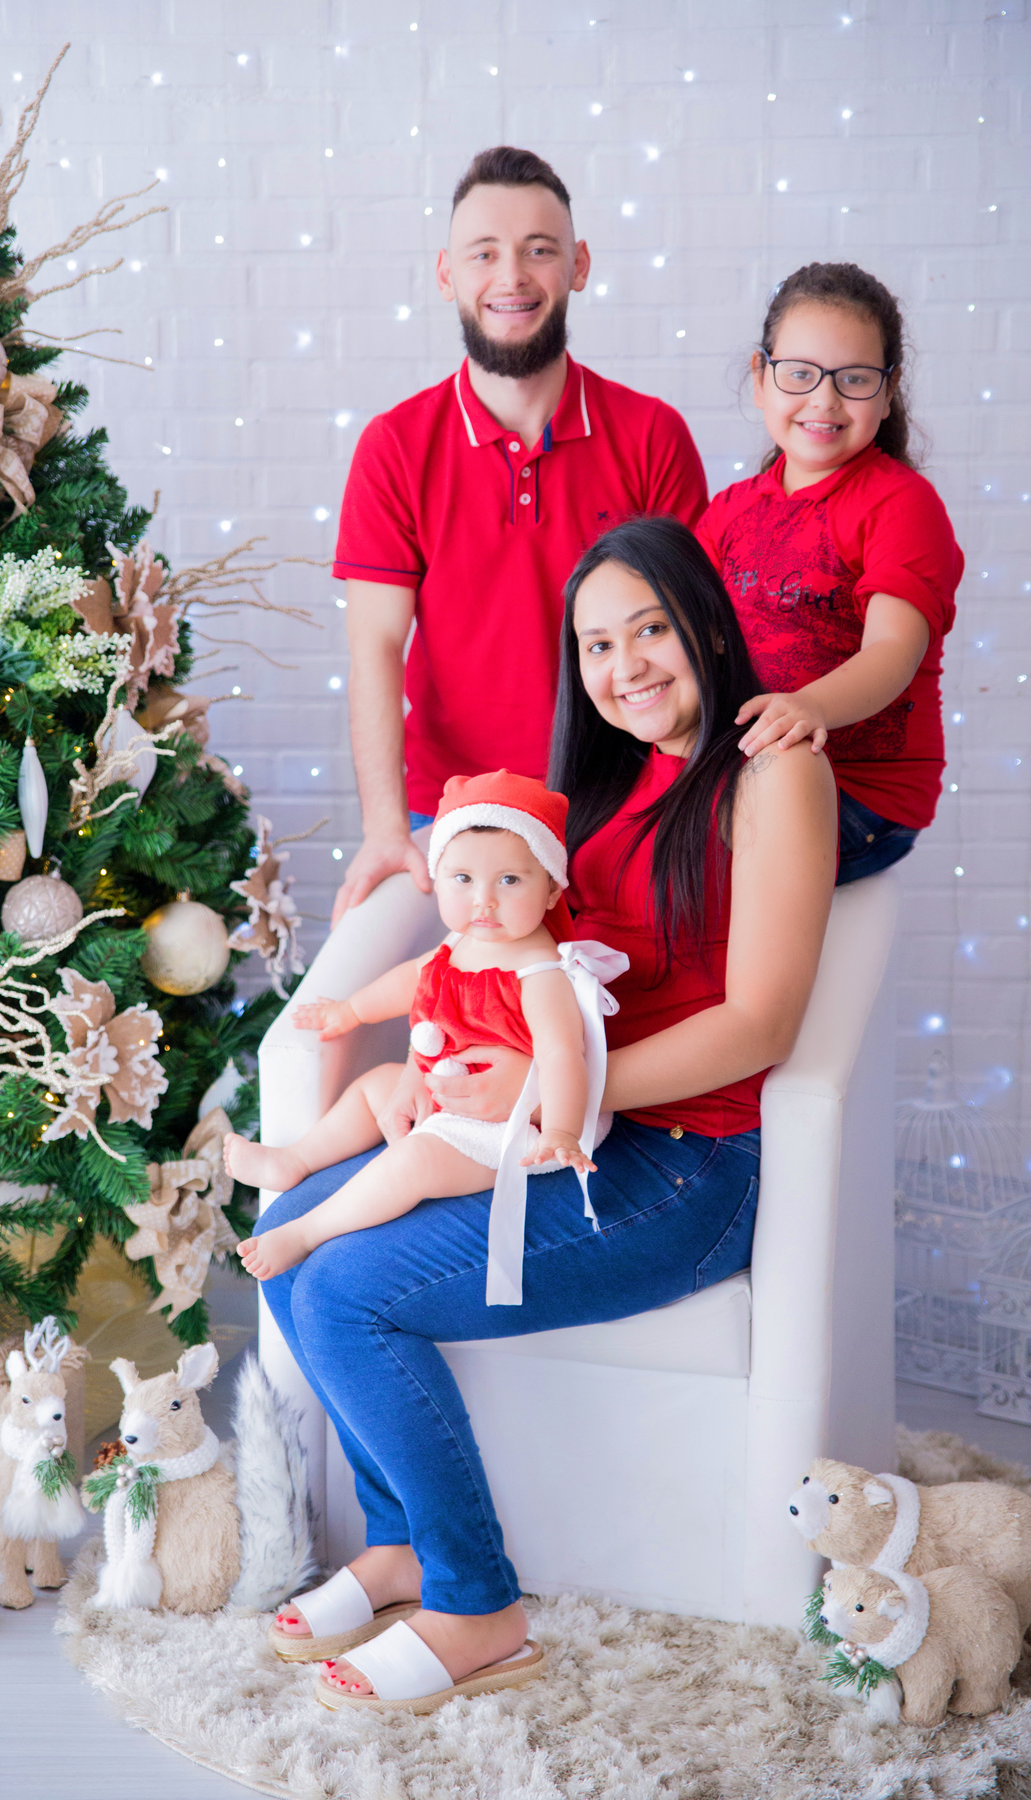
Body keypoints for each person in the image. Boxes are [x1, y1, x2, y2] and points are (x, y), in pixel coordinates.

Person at [254, 517, 837, 1713]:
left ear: (707, 624)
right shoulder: (613, 785)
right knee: (291, 1232)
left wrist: (542, 1090)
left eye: (651, 631)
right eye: (595, 645)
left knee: (342, 1287)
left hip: (684, 1174)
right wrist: (454, 1052)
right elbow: (519, 960)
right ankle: (404, 1540)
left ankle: (480, 1606)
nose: (624, 666)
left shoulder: (776, 772)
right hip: (559, 1139)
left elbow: (763, 1025)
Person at [330, 144, 708, 926]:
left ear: (579, 266)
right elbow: (374, 649)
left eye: (540, 251)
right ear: (446, 275)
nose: (512, 277)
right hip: (462, 826)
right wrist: (383, 831)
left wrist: (686, 815)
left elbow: (691, 645)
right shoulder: (394, 448)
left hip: (625, 815)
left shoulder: (651, 436)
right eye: (485, 254)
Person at [226, 771, 627, 1293]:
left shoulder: (540, 971)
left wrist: (561, 1132)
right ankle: (294, 1159)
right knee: (374, 1086)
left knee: (414, 1161)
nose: (484, 901)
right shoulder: (461, 941)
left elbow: (561, 1056)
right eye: (463, 879)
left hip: (504, 1124)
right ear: (439, 877)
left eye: (509, 880)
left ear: (552, 889)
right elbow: (414, 979)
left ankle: (306, 1232)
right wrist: (349, 1011)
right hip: (450, 1087)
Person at [697, 262, 962, 884]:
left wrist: (809, 705)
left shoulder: (900, 504)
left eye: (854, 379)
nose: (824, 399)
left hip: (862, 797)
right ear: (761, 379)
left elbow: (894, 650)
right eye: (799, 374)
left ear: (889, 389)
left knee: (682, 858)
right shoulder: (730, 510)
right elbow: (690, 634)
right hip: (757, 770)